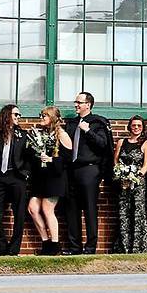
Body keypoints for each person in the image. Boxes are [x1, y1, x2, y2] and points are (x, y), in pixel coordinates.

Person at [63, 92, 111, 255]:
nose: (76, 104)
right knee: (71, 209)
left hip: (89, 170)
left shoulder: (97, 122)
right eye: (75, 101)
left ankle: (90, 248)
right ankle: (74, 247)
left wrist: (88, 130)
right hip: (72, 170)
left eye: (79, 102)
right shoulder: (71, 124)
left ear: (88, 104)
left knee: (90, 209)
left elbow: (102, 144)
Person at [0, 104, 30, 256]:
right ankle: (2, 247)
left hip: (17, 177)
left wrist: (26, 173)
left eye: (19, 115)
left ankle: (14, 249)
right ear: (7, 115)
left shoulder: (23, 135)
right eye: (15, 114)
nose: (18, 117)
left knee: (19, 214)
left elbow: (29, 158)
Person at [27, 106, 72, 256]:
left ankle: (55, 245)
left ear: (52, 118)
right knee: (33, 208)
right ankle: (46, 242)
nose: (41, 118)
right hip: (41, 178)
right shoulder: (42, 134)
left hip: (55, 178)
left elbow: (68, 159)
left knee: (47, 209)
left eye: (44, 116)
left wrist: (52, 159)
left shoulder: (62, 135)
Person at [112, 115, 147, 254]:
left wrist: (134, 177)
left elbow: (146, 165)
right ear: (129, 126)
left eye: (139, 126)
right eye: (134, 125)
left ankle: (138, 247)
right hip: (123, 183)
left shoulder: (146, 143)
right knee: (124, 212)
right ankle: (124, 246)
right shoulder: (121, 142)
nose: (136, 128)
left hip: (138, 184)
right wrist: (121, 175)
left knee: (137, 213)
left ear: (143, 128)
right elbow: (116, 161)